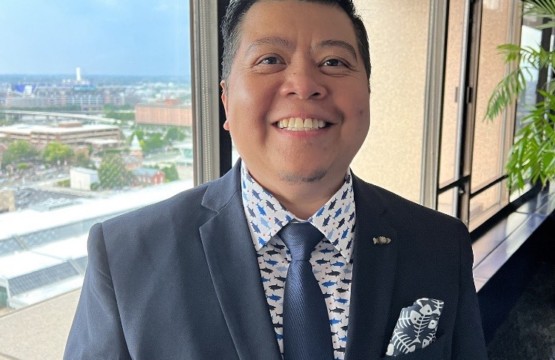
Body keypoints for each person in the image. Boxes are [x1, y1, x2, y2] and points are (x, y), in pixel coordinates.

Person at [64, 0, 488, 359]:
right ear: (227, 100)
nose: (304, 85)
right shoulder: (125, 258)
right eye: (270, 60)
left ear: (368, 95)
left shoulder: (440, 245)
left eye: (334, 62)